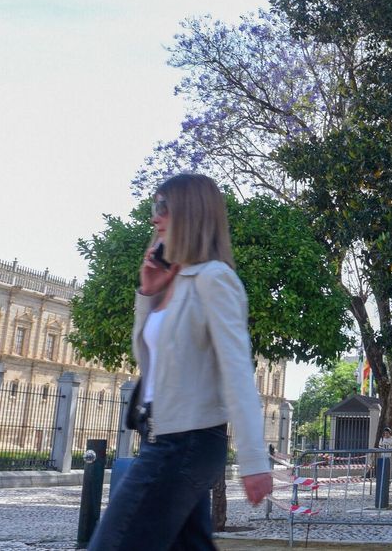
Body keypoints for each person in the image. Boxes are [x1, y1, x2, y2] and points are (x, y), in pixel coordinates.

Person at [89, 173, 273, 550]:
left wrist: (255, 459)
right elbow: (151, 365)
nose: (154, 218)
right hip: (162, 436)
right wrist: (148, 293)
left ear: (190, 213)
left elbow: (237, 369)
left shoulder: (214, 279)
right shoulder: (177, 283)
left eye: (162, 208)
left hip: (184, 444)